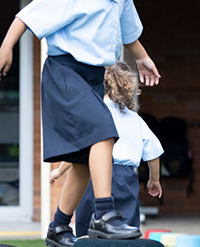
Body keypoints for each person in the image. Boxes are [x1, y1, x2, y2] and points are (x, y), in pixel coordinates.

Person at [0, 0, 161, 247]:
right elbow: (27, 16)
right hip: (64, 72)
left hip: (94, 78)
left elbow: (128, 32)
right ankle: (104, 214)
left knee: (83, 157)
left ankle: (58, 226)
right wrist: (5, 48)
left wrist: (143, 59)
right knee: (104, 132)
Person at [50, 62, 163, 236]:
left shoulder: (92, 116)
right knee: (125, 224)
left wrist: (60, 170)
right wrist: (154, 180)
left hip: (92, 175)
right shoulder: (135, 120)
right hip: (125, 178)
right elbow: (153, 153)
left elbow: (80, 151)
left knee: (87, 225)